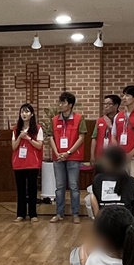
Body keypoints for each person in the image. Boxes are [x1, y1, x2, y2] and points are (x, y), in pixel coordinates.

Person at [89, 146, 134, 245]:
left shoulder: (97, 179)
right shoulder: (130, 181)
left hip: (105, 226)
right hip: (128, 226)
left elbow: (95, 199)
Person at [50, 91, 85, 223]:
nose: (60, 105)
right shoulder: (54, 120)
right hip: (58, 157)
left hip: (73, 157)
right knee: (59, 187)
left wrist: (68, 152)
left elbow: (81, 138)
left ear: (70, 105)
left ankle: (75, 214)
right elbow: (50, 137)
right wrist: (57, 153)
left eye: (63, 102)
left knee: (74, 186)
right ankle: (59, 213)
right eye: (60, 102)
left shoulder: (79, 118)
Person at [12, 103, 44, 222]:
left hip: (32, 163)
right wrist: (20, 137)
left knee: (32, 189)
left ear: (32, 114)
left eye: (26, 112)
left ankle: (33, 214)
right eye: (22, 112)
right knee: (20, 189)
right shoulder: (16, 129)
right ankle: (20, 214)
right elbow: (14, 146)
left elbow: (39, 146)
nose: (24, 114)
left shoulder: (38, 128)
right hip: (19, 163)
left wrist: (28, 138)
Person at [93, 93, 120, 163]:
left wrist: (111, 126)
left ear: (116, 106)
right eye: (104, 104)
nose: (105, 106)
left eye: (109, 104)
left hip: (115, 155)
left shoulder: (121, 119)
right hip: (100, 155)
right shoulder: (100, 120)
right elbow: (94, 138)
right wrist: (92, 156)